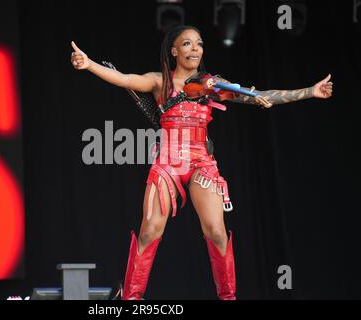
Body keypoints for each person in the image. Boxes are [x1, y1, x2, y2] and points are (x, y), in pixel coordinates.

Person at [70, 25, 333, 300]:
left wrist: (309, 92)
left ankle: (228, 297)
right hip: (167, 162)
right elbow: (124, 79)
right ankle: (131, 299)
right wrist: (89, 64)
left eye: (199, 44)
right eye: (187, 44)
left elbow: (260, 95)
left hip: (201, 163)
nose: (195, 49)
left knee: (217, 232)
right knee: (149, 231)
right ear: (174, 51)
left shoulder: (211, 85)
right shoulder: (160, 81)